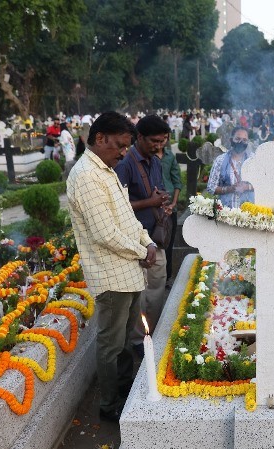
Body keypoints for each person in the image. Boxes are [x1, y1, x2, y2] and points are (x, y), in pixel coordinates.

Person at [66, 111, 157, 422]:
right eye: (118, 145)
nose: (123, 153)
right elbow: (104, 234)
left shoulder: (106, 170)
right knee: (111, 345)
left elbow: (127, 221)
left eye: (126, 147)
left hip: (129, 272)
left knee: (124, 342)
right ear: (99, 138)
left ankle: (125, 391)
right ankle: (109, 406)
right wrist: (141, 250)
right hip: (111, 276)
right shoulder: (86, 176)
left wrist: (148, 242)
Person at [115, 115, 171, 336]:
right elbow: (118, 206)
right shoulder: (125, 164)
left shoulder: (155, 161)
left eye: (163, 141)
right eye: (154, 141)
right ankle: (140, 341)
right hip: (135, 239)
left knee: (158, 287)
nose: (158, 146)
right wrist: (151, 202)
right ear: (140, 137)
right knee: (141, 292)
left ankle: (154, 336)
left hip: (156, 235)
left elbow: (159, 190)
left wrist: (164, 201)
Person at [206, 126, 254, 208]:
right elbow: (211, 187)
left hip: (249, 214)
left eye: (244, 140)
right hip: (226, 213)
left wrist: (247, 187)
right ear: (231, 140)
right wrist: (229, 189)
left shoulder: (253, 160)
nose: (241, 142)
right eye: (238, 139)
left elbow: (264, 184)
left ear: (248, 142)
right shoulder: (220, 160)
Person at [158, 131, 182, 287]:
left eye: (165, 138)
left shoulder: (169, 157)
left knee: (168, 243)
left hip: (169, 207)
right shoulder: (148, 156)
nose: (162, 141)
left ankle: (168, 277)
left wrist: (173, 203)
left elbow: (176, 181)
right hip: (154, 207)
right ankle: (155, 278)